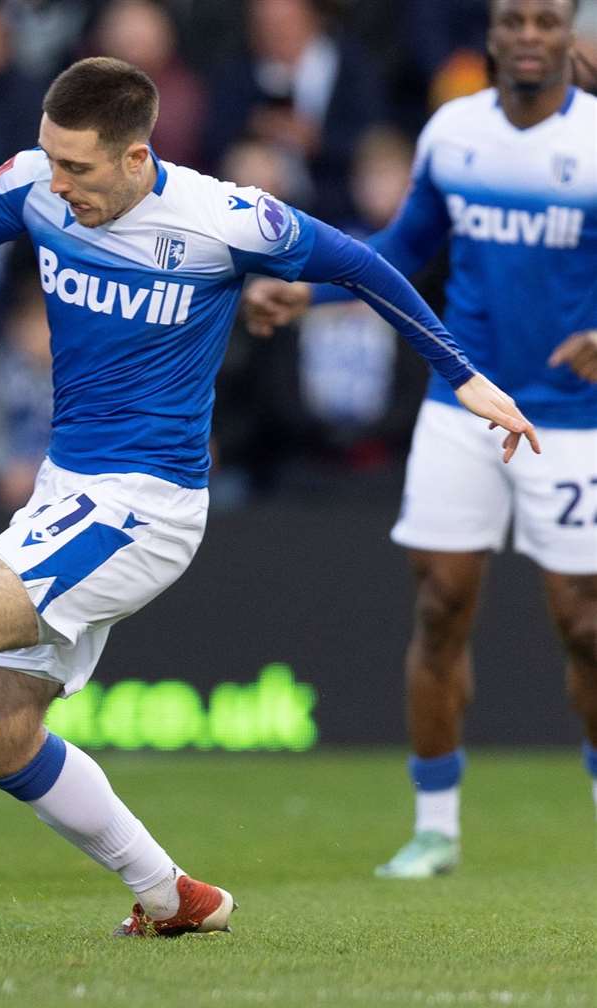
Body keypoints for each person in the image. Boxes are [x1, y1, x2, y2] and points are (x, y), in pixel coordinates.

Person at [0, 56, 538, 942]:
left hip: (144, 506)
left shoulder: (222, 217)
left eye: (79, 169)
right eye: (50, 159)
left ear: (137, 156)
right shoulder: (36, 181)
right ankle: (170, 895)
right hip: (68, 496)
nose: (58, 185)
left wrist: (467, 378)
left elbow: (364, 266)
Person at [243, 0, 597, 878]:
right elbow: (404, 247)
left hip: (570, 416)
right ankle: (435, 824)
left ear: (570, 37)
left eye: (545, 22)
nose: (527, 35)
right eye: (512, 19)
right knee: (440, 606)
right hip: (464, 401)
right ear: (492, 34)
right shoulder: (452, 132)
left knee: (585, 625)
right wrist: (309, 291)